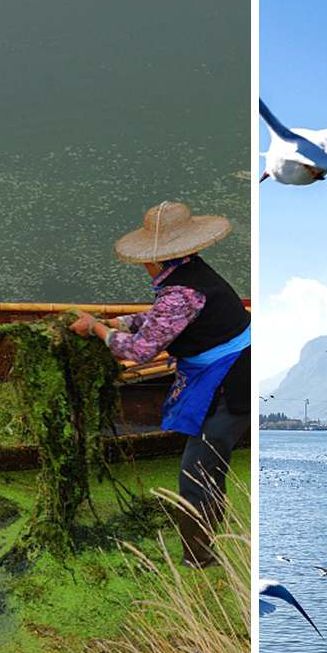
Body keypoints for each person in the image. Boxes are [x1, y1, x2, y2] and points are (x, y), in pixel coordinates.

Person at [70, 201, 249, 568]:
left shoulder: (182, 292)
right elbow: (162, 318)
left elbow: (140, 351)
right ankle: (212, 537)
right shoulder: (192, 272)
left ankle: (200, 559)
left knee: (197, 473)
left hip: (230, 383)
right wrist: (120, 322)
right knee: (210, 466)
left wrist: (97, 328)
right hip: (232, 369)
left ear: (154, 258)